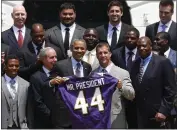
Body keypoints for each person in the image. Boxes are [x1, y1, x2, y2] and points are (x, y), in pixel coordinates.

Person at [130, 36, 176, 128]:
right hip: (140, 114)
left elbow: (170, 89)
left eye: (144, 46)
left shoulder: (163, 62)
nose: (141, 48)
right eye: (138, 46)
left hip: (157, 114)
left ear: (150, 46)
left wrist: (163, 110)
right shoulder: (135, 63)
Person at [50, 39, 92, 128]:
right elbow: (49, 82)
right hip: (64, 115)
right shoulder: (59, 65)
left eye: (82, 48)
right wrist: (52, 82)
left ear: (86, 50)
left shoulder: (87, 67)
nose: (79, 51)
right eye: (76, 48)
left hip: (81, 114)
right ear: (71, 49)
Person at [93, 42, 135, 128]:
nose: (103, 55)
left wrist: (121, 87)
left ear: (110, 54)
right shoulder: (93, 74)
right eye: (100, 53)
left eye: (105, 52)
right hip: (97, 119)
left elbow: (131, 95)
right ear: (97, 56)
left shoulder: (122, 73)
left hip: (115, 119)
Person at [29, 47, 57, 128]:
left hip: (59, 120)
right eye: (51, 57)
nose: (55, 60)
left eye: (56, 57)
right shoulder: (36, 77)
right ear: (43, 59)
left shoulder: (59, 73)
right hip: (44, 121)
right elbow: (37, 101)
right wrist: (50, 115)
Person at [1, 55, 30, 129]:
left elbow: (29, 108)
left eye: (16, 66)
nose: (14, 68)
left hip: (21, 126)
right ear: (5, 66)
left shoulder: (26, 84)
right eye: (11, 65)